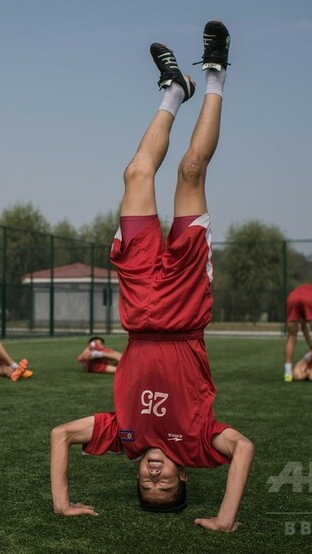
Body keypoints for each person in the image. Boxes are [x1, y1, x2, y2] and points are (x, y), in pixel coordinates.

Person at [50, 22, 253, 533]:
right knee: (190, 170)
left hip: (139, 306)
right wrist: (226, 518)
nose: (155, 476)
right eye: (165, 486)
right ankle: (214, 75)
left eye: (146, 484)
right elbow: (243, 448)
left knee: (135, 174)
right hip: (185, 307)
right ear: (186, 477)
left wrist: (62, 503)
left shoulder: (123, 437)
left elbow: (60, 435)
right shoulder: (202, 441)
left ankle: (172, 90)